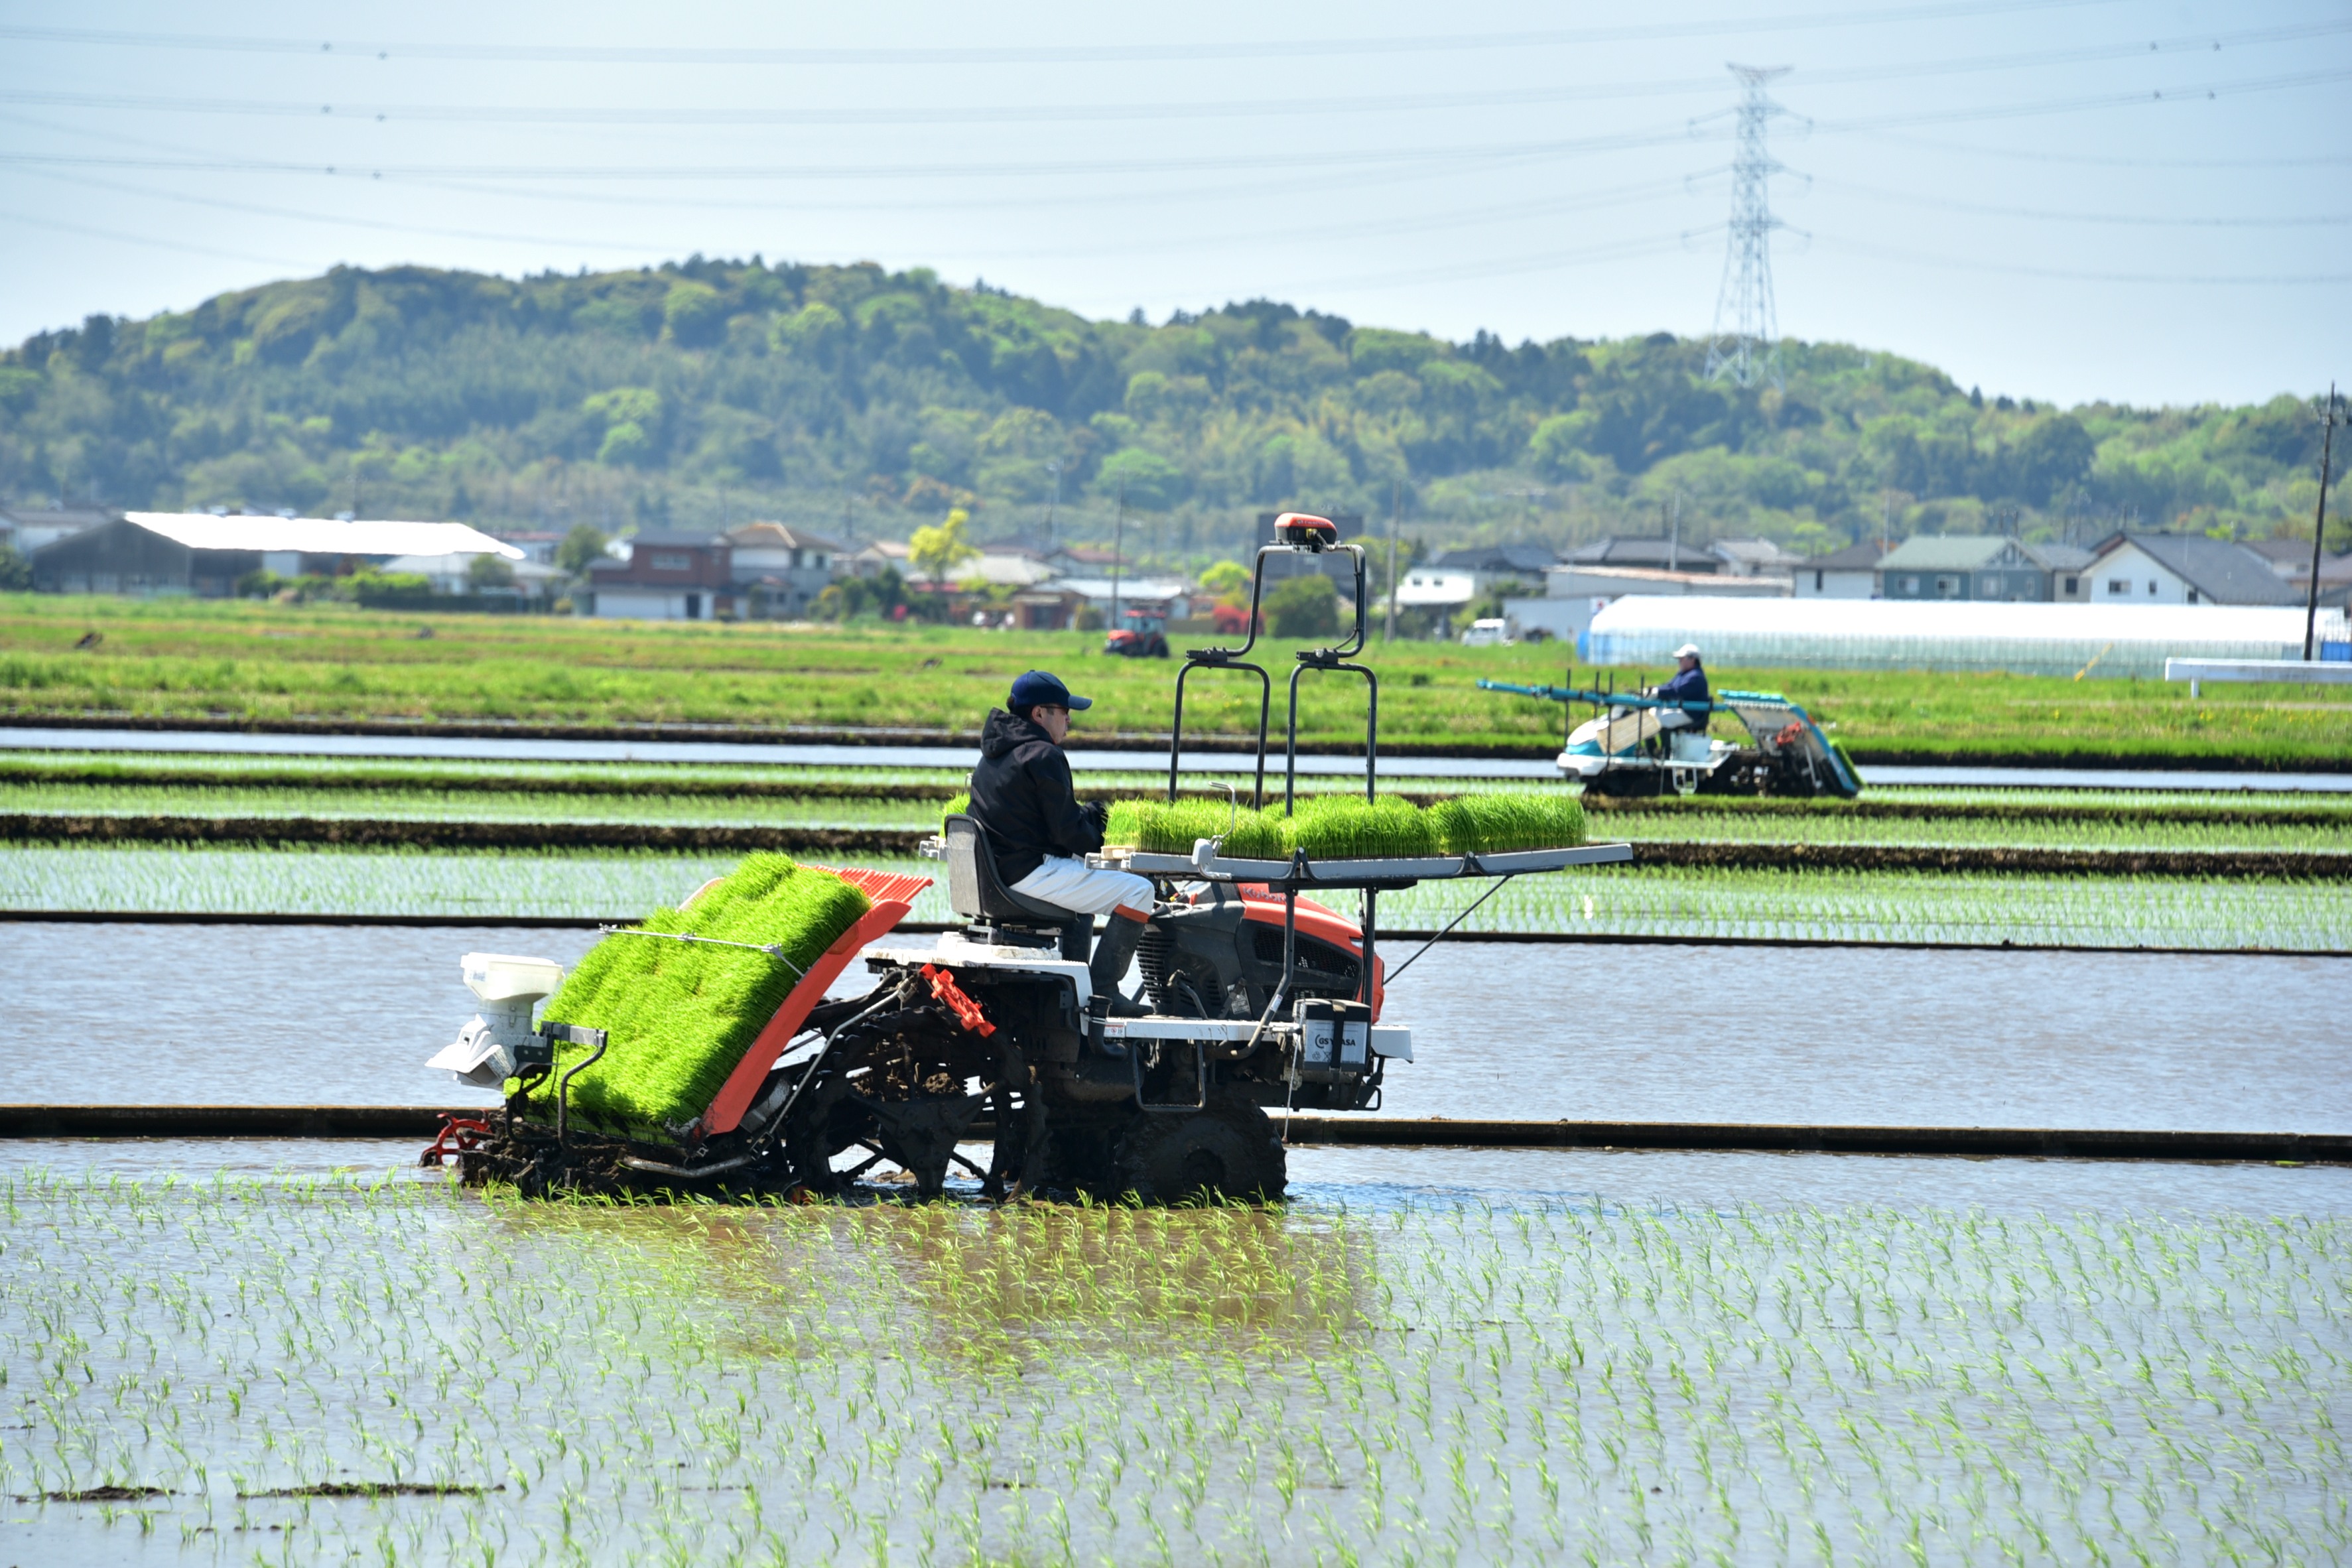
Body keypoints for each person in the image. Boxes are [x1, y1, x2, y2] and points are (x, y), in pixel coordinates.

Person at [968, 670, 1155, 1015]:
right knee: (1140, 891)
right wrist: (1103, 829)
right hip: (1027, 871)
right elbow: (1068, 833)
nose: (1069, 719)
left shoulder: (995, 753)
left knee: (1081, 882)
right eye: (1063, 711)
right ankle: (1103, 989)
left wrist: (1082, 819)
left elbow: (1043, 819)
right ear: (1039, 714)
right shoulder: (1044, 755)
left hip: (1003, 869)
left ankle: (1074, 983)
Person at [1650, 642, 1709, 731]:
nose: (1680, 661)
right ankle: (1653, 745)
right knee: (1651, 715)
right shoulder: (1683, 674)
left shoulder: (1696, 677)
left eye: (1682, 658)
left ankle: (1666, 745)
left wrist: (1657, 692)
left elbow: (1677, 692)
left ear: (1692, 659)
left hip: (1690, 714)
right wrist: (1653, 689)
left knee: (1662, 719)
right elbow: (1669, 686)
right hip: (1682, 710)